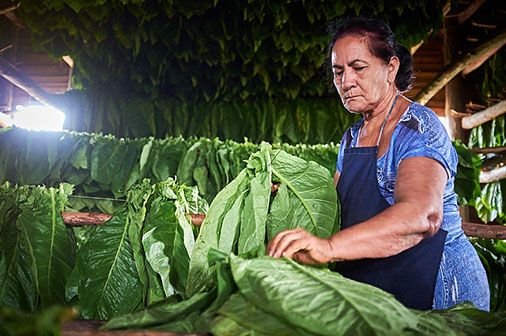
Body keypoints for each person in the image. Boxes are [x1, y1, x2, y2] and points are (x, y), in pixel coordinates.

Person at [267, 16, 490, 311]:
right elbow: (334, 206)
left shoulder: (417, 127)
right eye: (338, 72)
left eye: (358, 68)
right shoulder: (352, 137)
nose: (346, 82)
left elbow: (423, 216)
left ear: (391, 69)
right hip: (383, 293)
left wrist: (330, 248)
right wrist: (284, 194)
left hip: (439, 292)